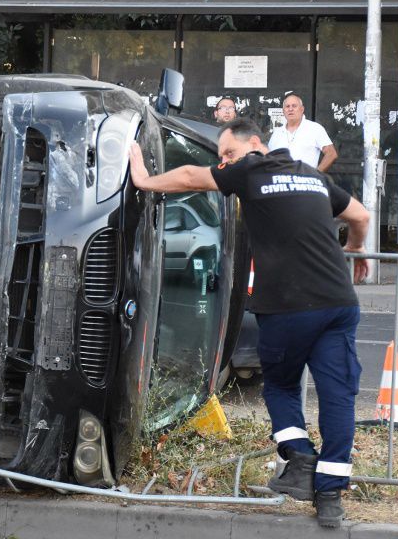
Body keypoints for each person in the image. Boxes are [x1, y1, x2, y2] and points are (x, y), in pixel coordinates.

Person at [128, 117, 369, 529]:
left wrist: (144, 179)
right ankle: (329, 495)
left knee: (279, 384)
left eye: (228, 153)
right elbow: (360, 215)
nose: (225, 161)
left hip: (288, 307)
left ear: (254, 144)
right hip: (337, 303)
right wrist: (356, 249)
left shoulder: (251, 169)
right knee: (338, 395)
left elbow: (189, 176)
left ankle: (300, 456)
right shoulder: (312, 175)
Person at [268, 92, 337, 171]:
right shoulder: (277, 133)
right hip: (280, 181)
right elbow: (269, 158)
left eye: (294, 106)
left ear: (302, 109)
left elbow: (331, 154)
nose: (290, 109)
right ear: (283, 111)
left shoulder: (315, 128)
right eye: (287, 106)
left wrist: (316, 175)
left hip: (305, 181)